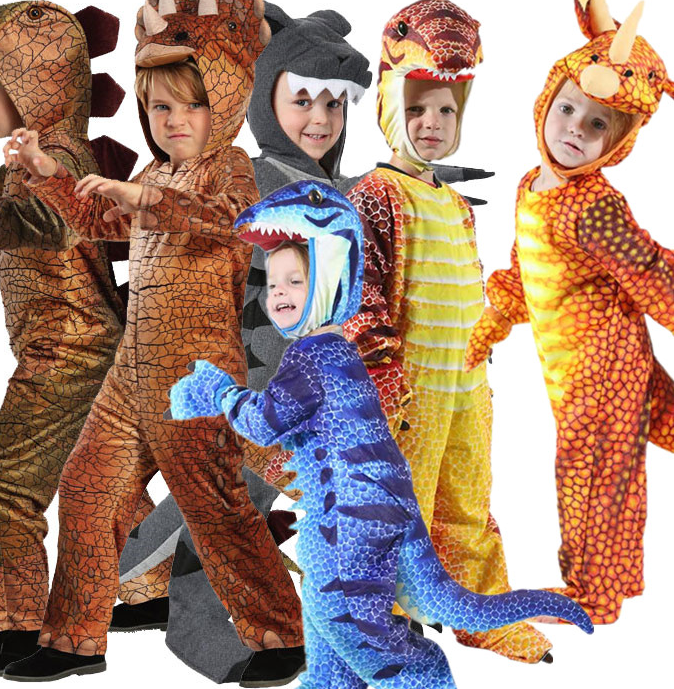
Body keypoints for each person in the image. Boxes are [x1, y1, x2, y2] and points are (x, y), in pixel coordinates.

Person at [165, 180, 593, 689]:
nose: (278, 293)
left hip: (346, 533)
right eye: (273, 283)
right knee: (332, 665)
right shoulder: (338, 354)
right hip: (362, 522)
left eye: (295, 281)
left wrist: (218, 392)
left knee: (404, 662)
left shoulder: (313, 359)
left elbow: (263, 423)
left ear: (329, 278)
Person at [1, 0, 304, 684]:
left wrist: (142, 198)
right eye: (161, 105)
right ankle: (73, 639)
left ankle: (282, 636)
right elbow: (99, 218)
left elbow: (225, 222)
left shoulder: (232, 171)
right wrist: (46, 173)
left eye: (195, 105)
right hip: (131, 372)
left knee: (214, 505)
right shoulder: (156, 172)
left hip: (197, 375)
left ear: (227, 102)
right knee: (87, 489)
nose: (175, 120)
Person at [110, 1, 372, 684]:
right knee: (227, 508)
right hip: (256, 378)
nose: (320, 119)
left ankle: (135, 569)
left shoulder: (335, 185)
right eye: (302, 100)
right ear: (265, 100)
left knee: (268, 504)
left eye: (334, 104)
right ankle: (192, 624)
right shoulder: (248, 177)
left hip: (322, 388)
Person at [343, 0, 554, 662]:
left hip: (466, 384)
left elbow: (466, 287)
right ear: (388, 107)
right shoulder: (374, 195)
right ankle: (378, 622)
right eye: (417, 109)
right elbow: (360, 292)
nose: (431, 123)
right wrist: (381, 376)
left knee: (467, 503)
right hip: (406, 389)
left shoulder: (458, 205)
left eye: (446, 111)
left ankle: (478, 609)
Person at [0, 0, 127, 678]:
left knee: (6, 487)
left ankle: (16, 629)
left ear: (32, 87)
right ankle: (151, 593)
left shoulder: (59, 158)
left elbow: (39, 223)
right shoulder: (33, 159)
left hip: (70, 350)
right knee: (102, 485)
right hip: (84, 348)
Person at [465, 0, 674, 625]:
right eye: (567, 110)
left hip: (602, 375)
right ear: (546, 102)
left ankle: (593, 595)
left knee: (592, 476)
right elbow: (526, 271)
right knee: (623, 459)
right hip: (583, 370)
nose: (575, 130)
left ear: (619, 141)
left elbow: (653, 274)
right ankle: (616, 582)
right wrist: (490, 325)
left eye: (597, 124)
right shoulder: (533, 186)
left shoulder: (593, 208)